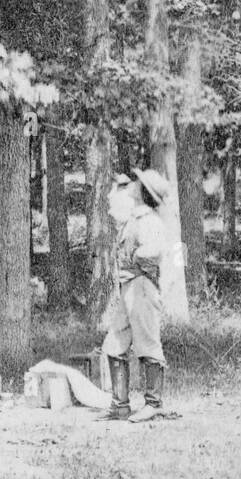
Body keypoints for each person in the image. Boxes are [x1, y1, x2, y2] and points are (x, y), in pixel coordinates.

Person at [99, 168, 171, 423]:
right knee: (115, 343)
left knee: (147, 342)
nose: (134, 184)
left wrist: (137, 257)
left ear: (143, 192)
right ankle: (120, 405)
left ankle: (153, 404)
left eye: (138, 183)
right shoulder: (134, 217)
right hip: (129, 286)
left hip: (142, 286)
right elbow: (115, 206)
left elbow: (155, 251)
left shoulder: (149, 220)